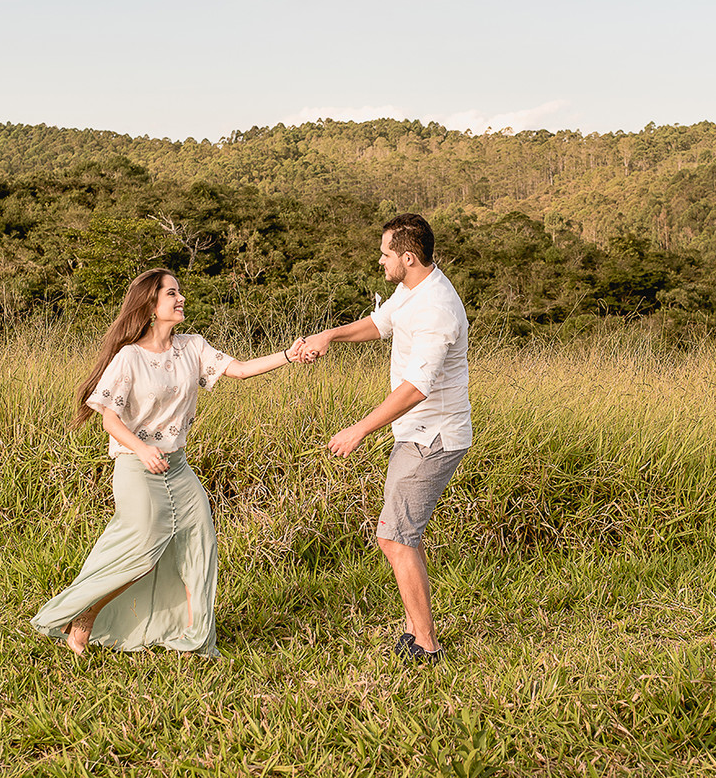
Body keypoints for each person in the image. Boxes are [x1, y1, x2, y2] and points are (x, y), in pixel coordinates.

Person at [31, 267, 306, 657]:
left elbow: (241, 371)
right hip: (136, 467)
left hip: (178, 468)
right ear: (150, 304)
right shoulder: (129, 357)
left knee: (200, 541)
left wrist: (287, 356)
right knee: (141, 550)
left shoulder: (192, 347)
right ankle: (83, 615)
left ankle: (192, 634)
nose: (180, 300)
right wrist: (142, 449)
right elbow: (109, 417)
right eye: (171, 294)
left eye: (179, 293)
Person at [298, 213, 471, 664]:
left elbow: (417, 387)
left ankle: (426, 644)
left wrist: (358, 429)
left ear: (408, 258)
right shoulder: (414, 288)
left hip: (432, 436)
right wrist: (330, 335)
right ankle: (415, 631)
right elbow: (380, 323)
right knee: (397, 535)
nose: (381, 262)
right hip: (414, 434)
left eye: (386, 255)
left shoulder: (437, 308)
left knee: (397, 538)